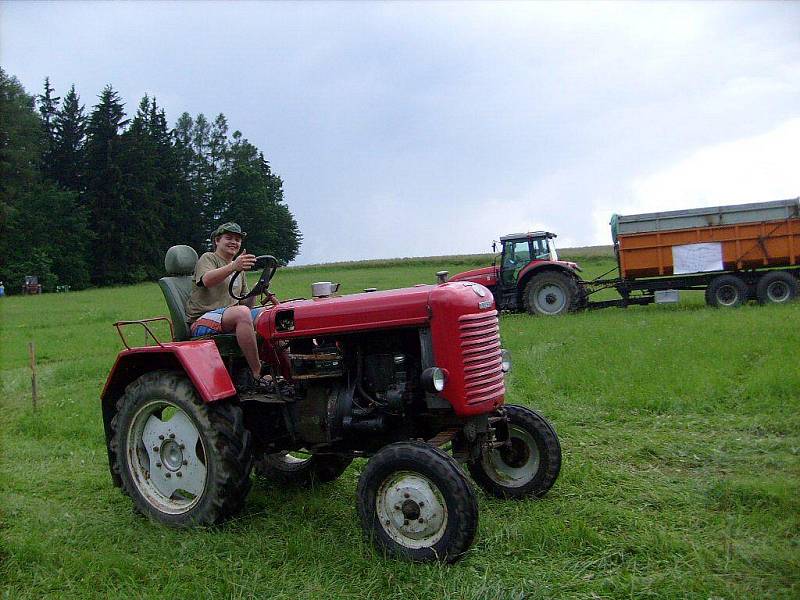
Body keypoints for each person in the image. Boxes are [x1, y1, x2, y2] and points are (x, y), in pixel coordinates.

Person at [186, 222, 265, 387]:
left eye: (237, 239)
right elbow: (207, 280)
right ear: (217, 241)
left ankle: (282, 371)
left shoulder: (239, 268)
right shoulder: (209, 258)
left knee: (271, 316)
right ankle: (258, 373)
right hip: (203, 319)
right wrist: (233, 267)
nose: (234, 242)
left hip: (228, 316)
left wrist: (257, 291)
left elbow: (245, 302)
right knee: (242, 313)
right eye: (228, 238)